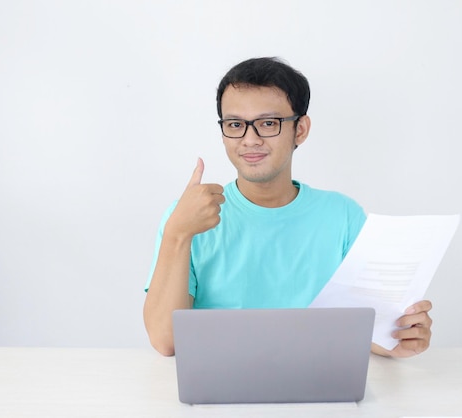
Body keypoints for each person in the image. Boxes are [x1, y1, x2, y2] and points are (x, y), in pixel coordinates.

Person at [143, 57, 433, 358]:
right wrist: (178, 233)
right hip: (220, 389)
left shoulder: (342, 216)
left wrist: (399, 339)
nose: (250, 139)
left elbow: (371, 331)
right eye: (235, 125)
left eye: (268, 123)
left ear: (301, 130)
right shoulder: (188, 217)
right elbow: (167, 342)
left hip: (320, 385)